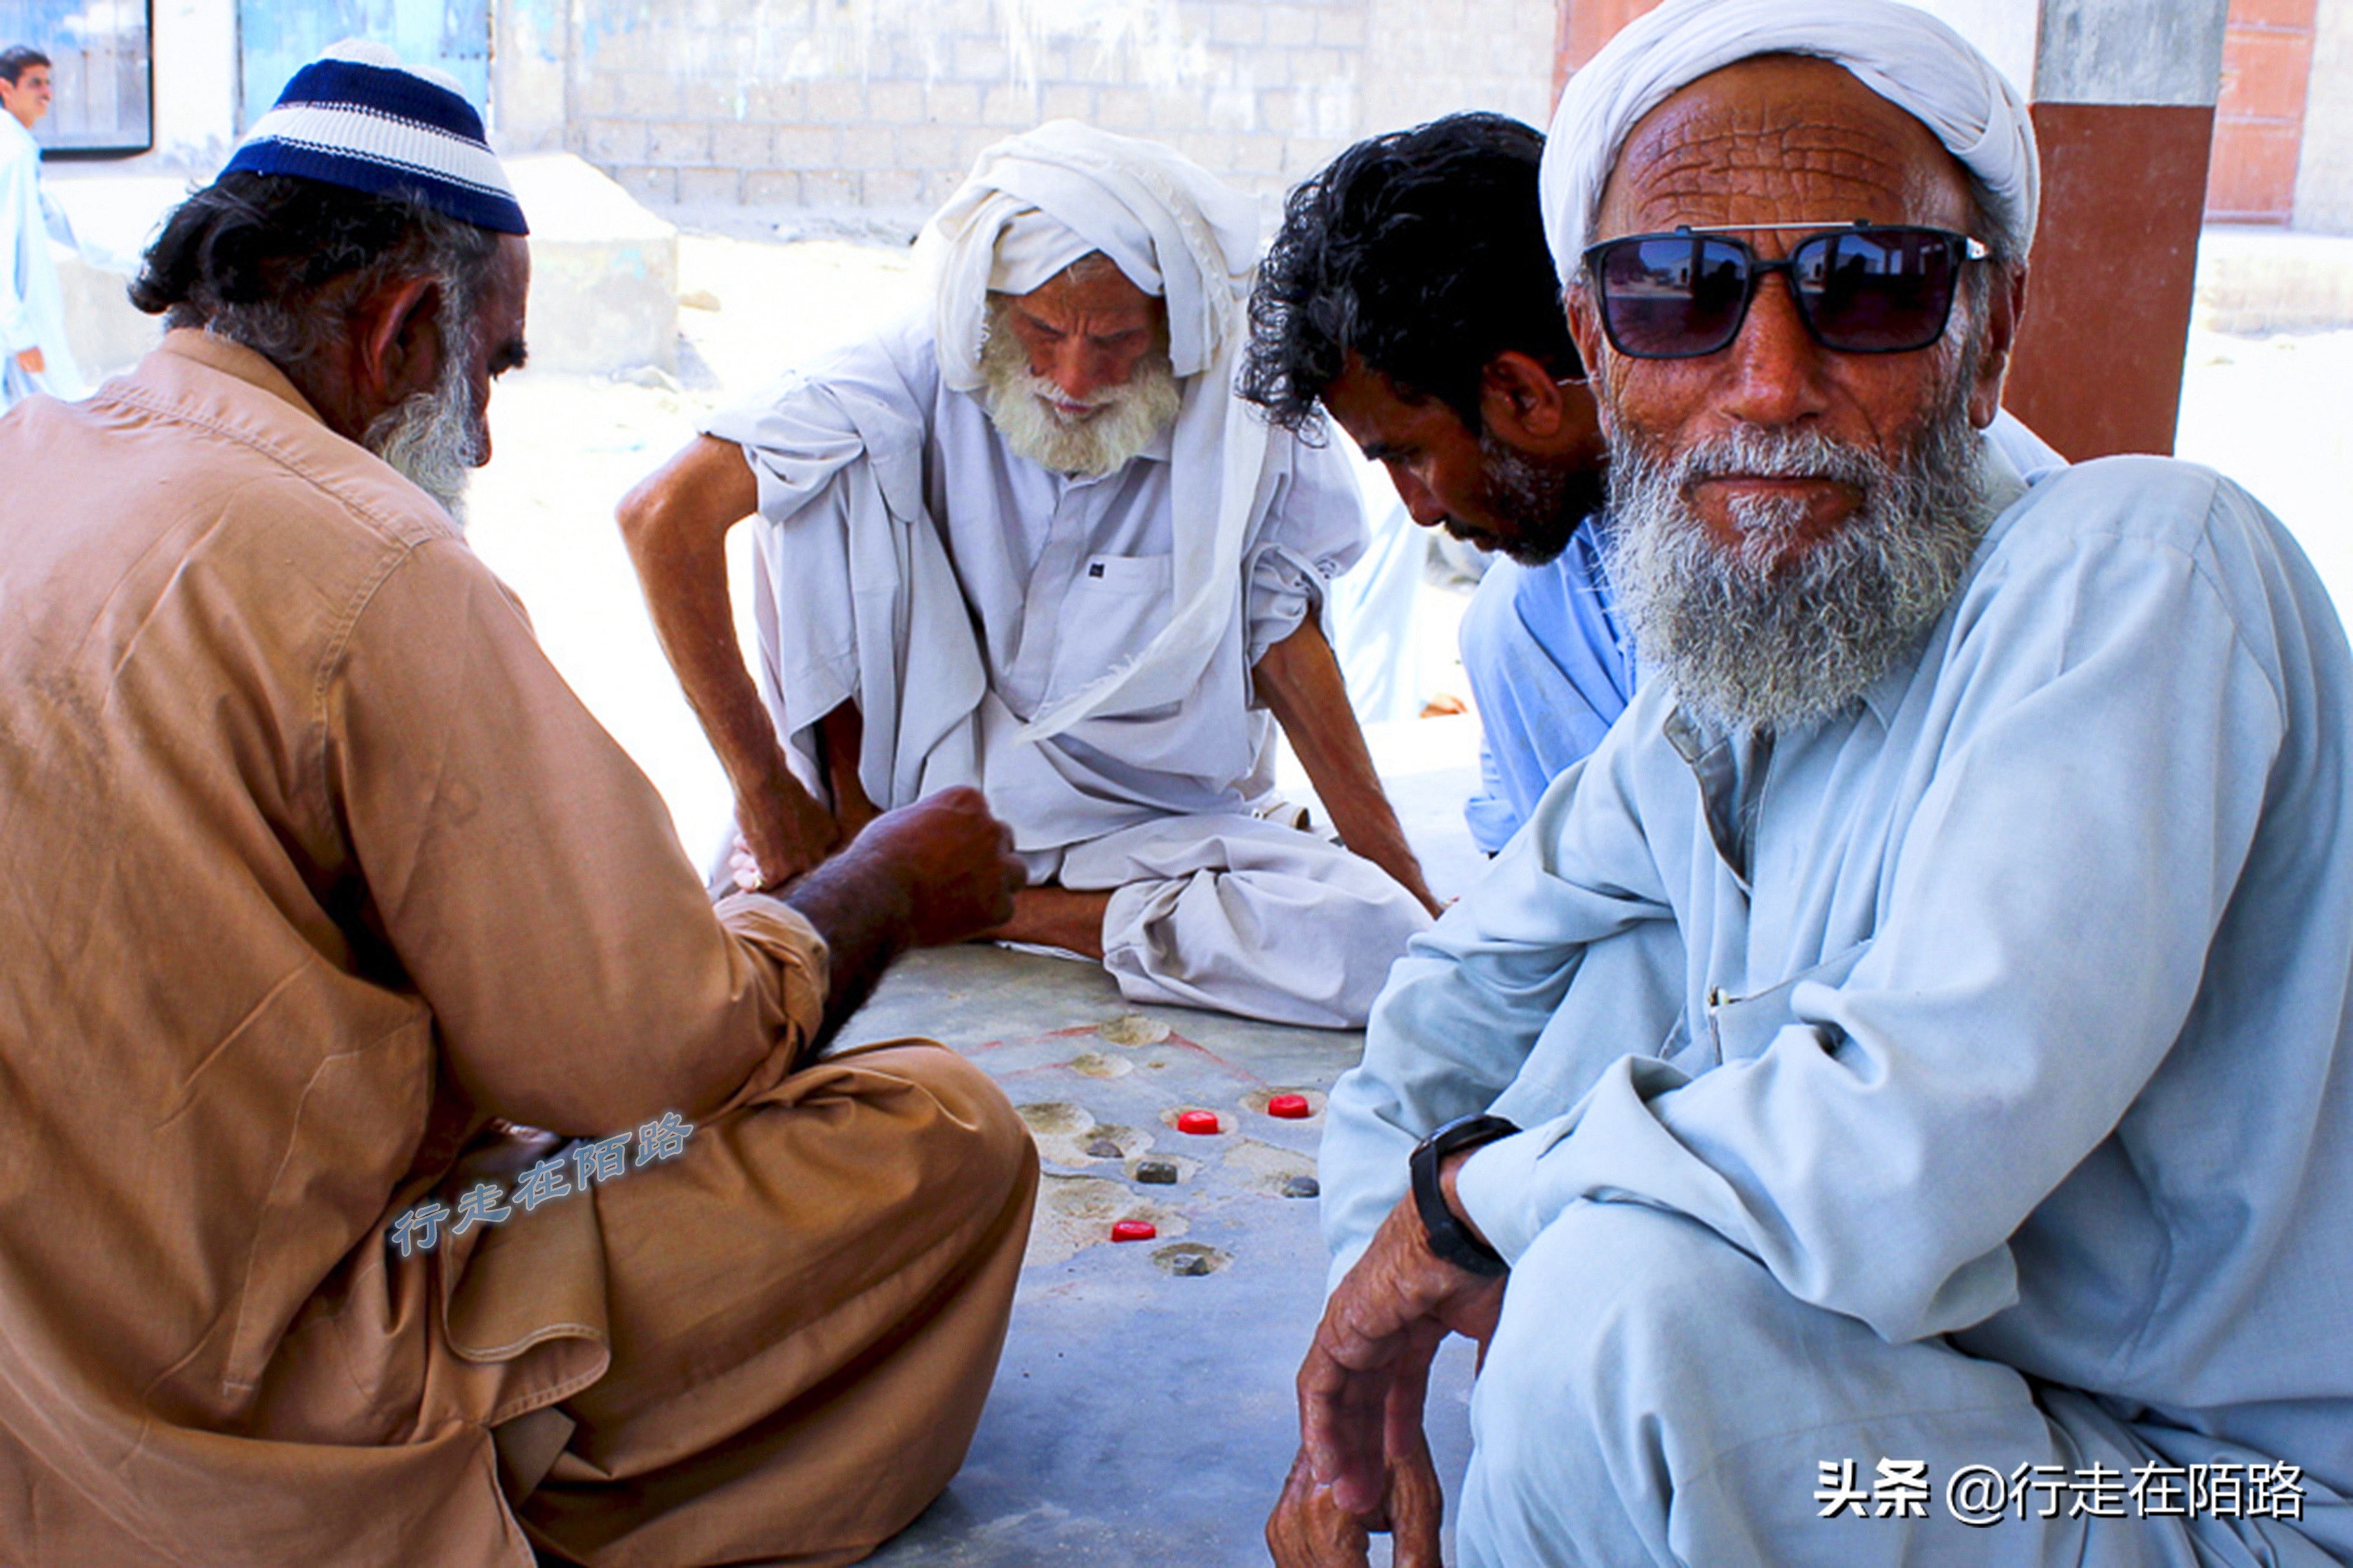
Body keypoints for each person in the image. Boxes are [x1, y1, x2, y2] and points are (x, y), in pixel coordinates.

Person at [1273, 2, 2353, 1564]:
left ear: (1984, 340)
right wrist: (1352, 1369)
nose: (1767, 381)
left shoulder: (2140, 567)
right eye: (1676, 298)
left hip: (2197, 1490)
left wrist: (1459, 1213)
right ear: (1593, 346)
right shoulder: (1736, 673)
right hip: (1942, 1406)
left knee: (1608, 1317)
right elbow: (1453, 993)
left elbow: (1896, 1149)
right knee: (1605, 1007)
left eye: (1869, 291)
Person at [0, 42, 1039, 1567]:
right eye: (490, 370)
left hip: (28, 1388)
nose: (481, 438)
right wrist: (874, 882)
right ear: (402, 324)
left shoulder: (25, 459)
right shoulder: (371, 558)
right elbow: (648, 1057)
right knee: (944, 1129)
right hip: (276, 1376)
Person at [621, 121, 1441, 1031]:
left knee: (1378, 944)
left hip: (1139, 836)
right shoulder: (915, 365)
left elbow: (1283, 640)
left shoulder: (1243, 426)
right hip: (906, 817)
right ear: (993, 304)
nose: (1075, 377)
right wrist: (763, 792)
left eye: (1118, 339)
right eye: (1044, 330)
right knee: (822, 475)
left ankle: (988, 917)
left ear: (1176, 323)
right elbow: (662, 515)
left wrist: (1401, 882)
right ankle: (856, 858)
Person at [1247, 111, 2063, 854]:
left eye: (1409, 455)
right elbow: (1554, 933)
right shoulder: (1528, 627)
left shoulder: (1979, 539)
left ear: (1525, 394)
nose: (1418, 507)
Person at [1, 42, 85, 412]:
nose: (47, 93)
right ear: (6, 88)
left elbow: (58, 224)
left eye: (48, 82)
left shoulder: (21, 149)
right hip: (19, 325)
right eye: (35, 83)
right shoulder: (12, 154)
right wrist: (21, 336)